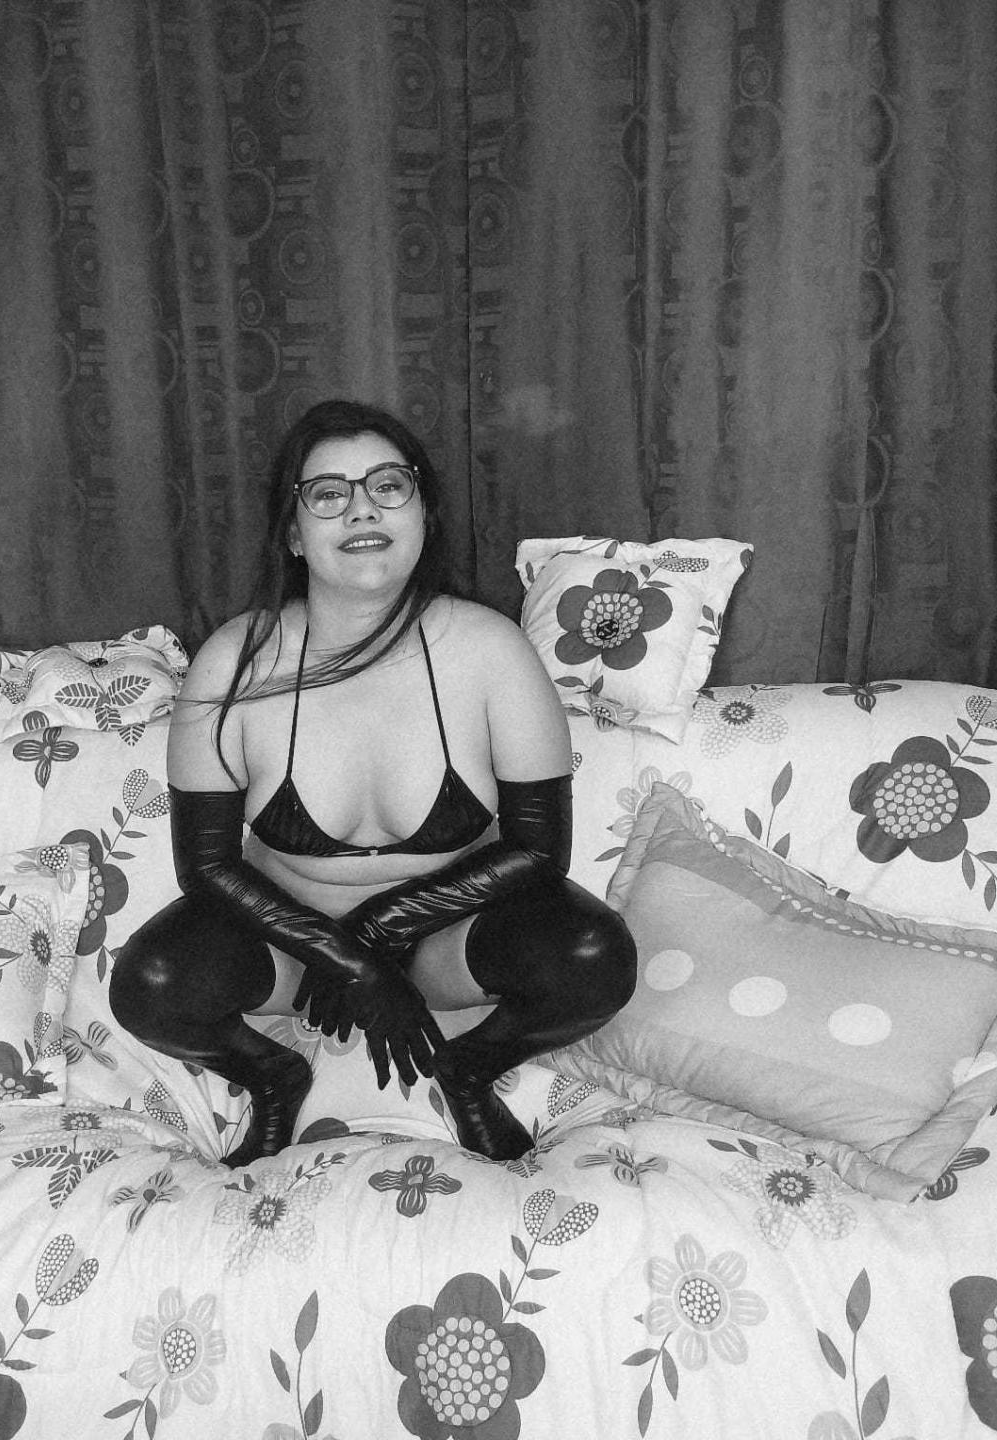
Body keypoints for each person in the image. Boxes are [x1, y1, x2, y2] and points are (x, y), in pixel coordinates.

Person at [110, 398, 636, 1167]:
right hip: (292, 955)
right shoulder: (234, 662)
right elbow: (207, 868)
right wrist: (343, 958)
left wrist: (382, 932)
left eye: (389, 485)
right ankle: (272, 1076)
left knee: (595, 955)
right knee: (150, 983)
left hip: (449, 942)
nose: (363, 508)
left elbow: (538, 849)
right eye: (328, 493)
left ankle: (469, 1069)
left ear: (423, 513)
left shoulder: (492, 652)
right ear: (294, 533)